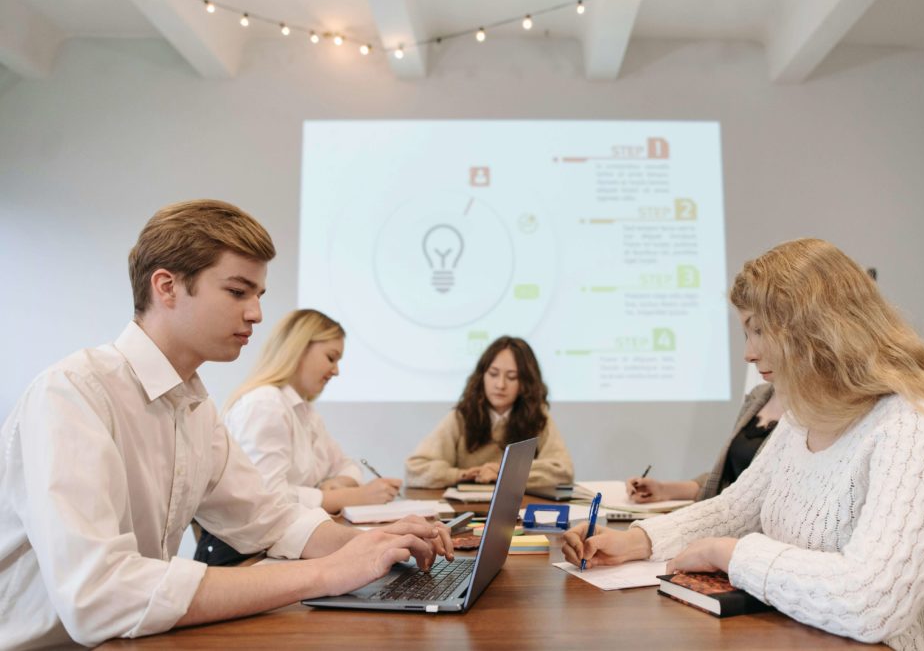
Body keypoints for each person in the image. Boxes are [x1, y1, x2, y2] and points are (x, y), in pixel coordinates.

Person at [0, 200, 452, 650]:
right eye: (238, 292)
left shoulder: (195, 407)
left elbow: (268, 519)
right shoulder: (72, 394)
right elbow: (99, 595)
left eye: (258, 296)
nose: (256, 313)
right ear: (167, 287)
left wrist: (369, 544)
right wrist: (324, 573)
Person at [563, 239, 924, 650]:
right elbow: (732, 509)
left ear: (818, 329)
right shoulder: (805, 415)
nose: (749, 351)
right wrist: (637, 542)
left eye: (759, 330)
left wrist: (729, 554)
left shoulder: (917, 426)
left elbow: (870, 602)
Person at [195, 309, 403, 566]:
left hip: (277, 544)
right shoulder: (265, 404)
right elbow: (268, 499)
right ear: (299, 348)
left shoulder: (303, 410)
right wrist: (348, 497)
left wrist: (338, 482)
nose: (336, 371)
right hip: (242, 557)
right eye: (331, 357)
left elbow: (347, 465)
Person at [405, 336, 573, 490]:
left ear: (525, 383)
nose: (500, 385)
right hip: (465, 511)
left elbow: (563, 471)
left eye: (512, 377)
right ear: (482, 376)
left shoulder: (537, 418)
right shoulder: (462, 417)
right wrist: (461, 475)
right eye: (493, 374)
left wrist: (504, 473)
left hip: (518, 511)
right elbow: (415, 469)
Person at [626, 381, 783, 503]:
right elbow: (725, 482)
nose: (748, 355)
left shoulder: (805, 411)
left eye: (760, 337)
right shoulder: (759, 395)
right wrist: (662, 490)